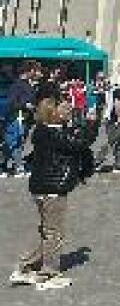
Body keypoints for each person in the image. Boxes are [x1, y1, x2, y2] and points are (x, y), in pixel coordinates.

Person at [9, 98, 97, 290]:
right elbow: (80, 143)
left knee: (47, 232)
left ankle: (26, 267)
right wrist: (91, 123)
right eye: (62, 109)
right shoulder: (51, 133)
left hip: (42, 187)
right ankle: (48, 273)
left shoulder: (44, 131)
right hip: (52, 189)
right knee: (54, 234)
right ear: (53, 113)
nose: (66, 112)